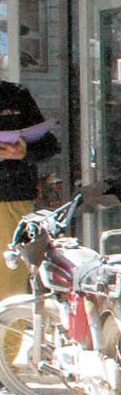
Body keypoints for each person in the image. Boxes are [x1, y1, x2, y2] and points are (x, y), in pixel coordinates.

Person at [0, 81, 58, 301]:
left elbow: (49, 145)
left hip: (11, 199)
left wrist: (25, 153)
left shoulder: (14, 95)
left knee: (10, 287)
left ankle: (8, 335)